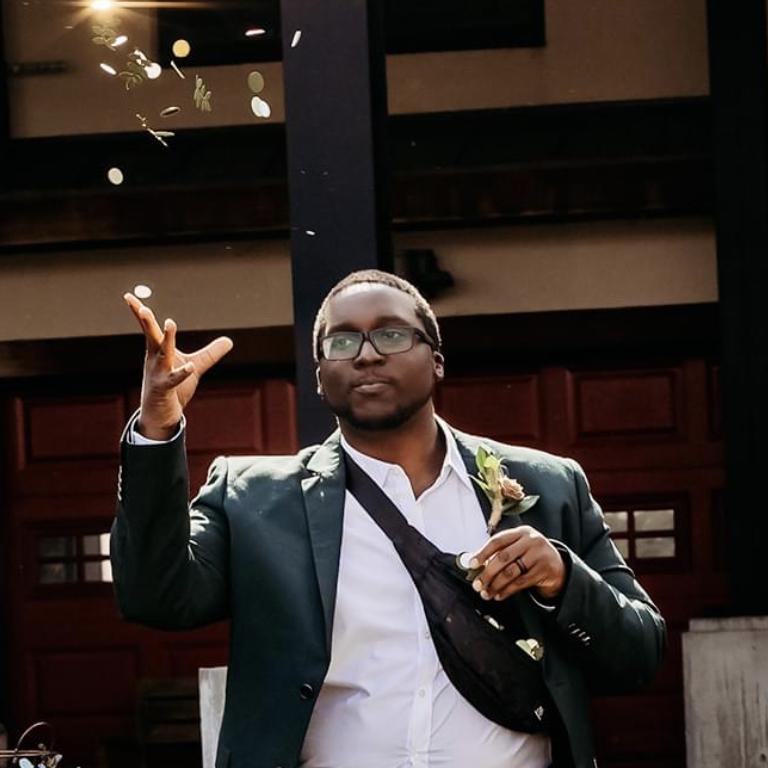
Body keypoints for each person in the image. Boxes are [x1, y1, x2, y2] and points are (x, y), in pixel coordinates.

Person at [111, 269, 666, 768]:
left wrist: (562, 580)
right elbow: (153, 595)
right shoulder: (254, 498)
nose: (367, 355)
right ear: (319, 374)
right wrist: (157, 426)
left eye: (392, 335)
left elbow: (640, 653)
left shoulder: (549, 485)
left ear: (437, 359)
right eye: (342, 341)